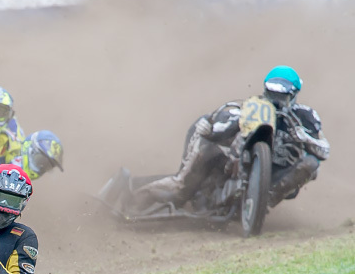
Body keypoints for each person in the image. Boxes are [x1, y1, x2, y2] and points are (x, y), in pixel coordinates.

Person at [132, 66, 329, 210]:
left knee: (311, 165)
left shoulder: (306, 117)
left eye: (282, 96)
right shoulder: (252, 108)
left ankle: (264, 202)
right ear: (265, 91)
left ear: (294, 95)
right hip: (231, 166)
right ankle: (134, 200)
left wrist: (304, 137)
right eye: (272, 94)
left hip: (275, 177)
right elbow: (221, 126)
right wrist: (210, 128)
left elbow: (324, 150)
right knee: (182, 186)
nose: (276, 102)